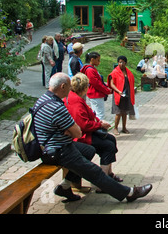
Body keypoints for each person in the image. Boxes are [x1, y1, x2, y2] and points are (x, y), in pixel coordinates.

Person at [35, 73, 152, 203]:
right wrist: (70, 130)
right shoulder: (57, 107)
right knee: (94, 171)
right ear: (62, 86)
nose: (70, 89)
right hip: (57, 150)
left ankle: (65, 186)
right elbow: (77, 133)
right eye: (69, 87)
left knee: (89, 151)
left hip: (49, 146)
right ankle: (128, 193)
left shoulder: (43, 99)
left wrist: (69, 130)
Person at [65, 73, 122, 184]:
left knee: (111, 139)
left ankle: (109, 173)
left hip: (86, 132)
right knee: (108, 146)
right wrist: (100, 125)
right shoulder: (76, 101)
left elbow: (88, 113)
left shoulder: (75, 97)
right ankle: (103, 182)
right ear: (85, 87)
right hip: (81, 136)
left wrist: (98, 121)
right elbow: (83, 124)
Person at [108, 56, 135, 135]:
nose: (121, 64)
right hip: (118, 94)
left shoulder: (128, 72)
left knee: (124, 112)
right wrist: (118, 91)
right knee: (118, 112)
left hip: (126, 95)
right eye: (119, 62)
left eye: (123, 62)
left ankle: (124, 127)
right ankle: (115, 128)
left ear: (125, 63)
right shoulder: (115, 72)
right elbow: (111, 84)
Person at [80, 52, 112, 120]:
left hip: (94, 94)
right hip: (96, 94)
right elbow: (96, 83)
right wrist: (107, 90)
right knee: (100, 114)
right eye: (98, 60)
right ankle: (99, 128)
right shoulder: (90, 70)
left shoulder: (91, 69)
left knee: (97, 113)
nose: (99, 62)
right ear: (92, 59)